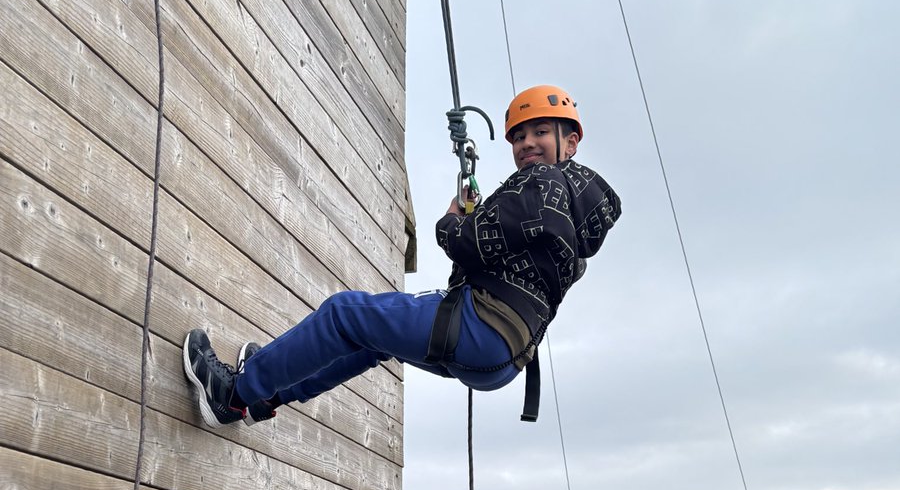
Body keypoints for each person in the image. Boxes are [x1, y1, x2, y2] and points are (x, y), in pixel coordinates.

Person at [182, 84, 621, 427]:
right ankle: (270, 394)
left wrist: (454, 221)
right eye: (520, 136)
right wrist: (484, 214)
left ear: (572, 140)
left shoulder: (542, 182)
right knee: (372, 341)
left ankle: (234, 395)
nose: (528, 144)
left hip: (479, 329)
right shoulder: (574, 216)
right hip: (503, 359)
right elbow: (505, 254)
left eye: (541, 131)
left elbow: (465, 243)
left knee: (344, 314)